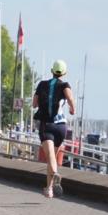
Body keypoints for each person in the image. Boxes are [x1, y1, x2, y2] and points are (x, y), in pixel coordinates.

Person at [32, 59, 77, 197]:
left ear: (52, 71)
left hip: (47, 125)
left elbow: (34, 104)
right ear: (64, 73)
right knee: (53, 157)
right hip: (61, 127)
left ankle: (56, 174)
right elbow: (70, 98)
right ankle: (49, 189)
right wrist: (72, 109)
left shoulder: (42, 84)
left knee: (50, 157)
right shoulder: (65, 85)